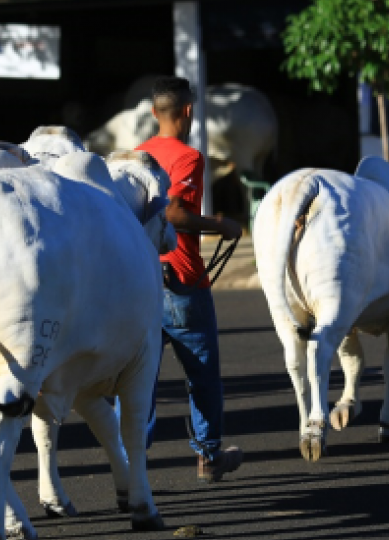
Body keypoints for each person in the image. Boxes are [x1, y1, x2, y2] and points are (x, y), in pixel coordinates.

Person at [136, 76, 245, 483]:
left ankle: (130, 459)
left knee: (138, 379)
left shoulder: (135, 155)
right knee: (201, 376)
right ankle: (208, 455)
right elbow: (176, 214)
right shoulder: (189, 158)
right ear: (187, 111)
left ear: (153, 113)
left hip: (140, 281)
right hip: (180, 281)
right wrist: (221, 224)